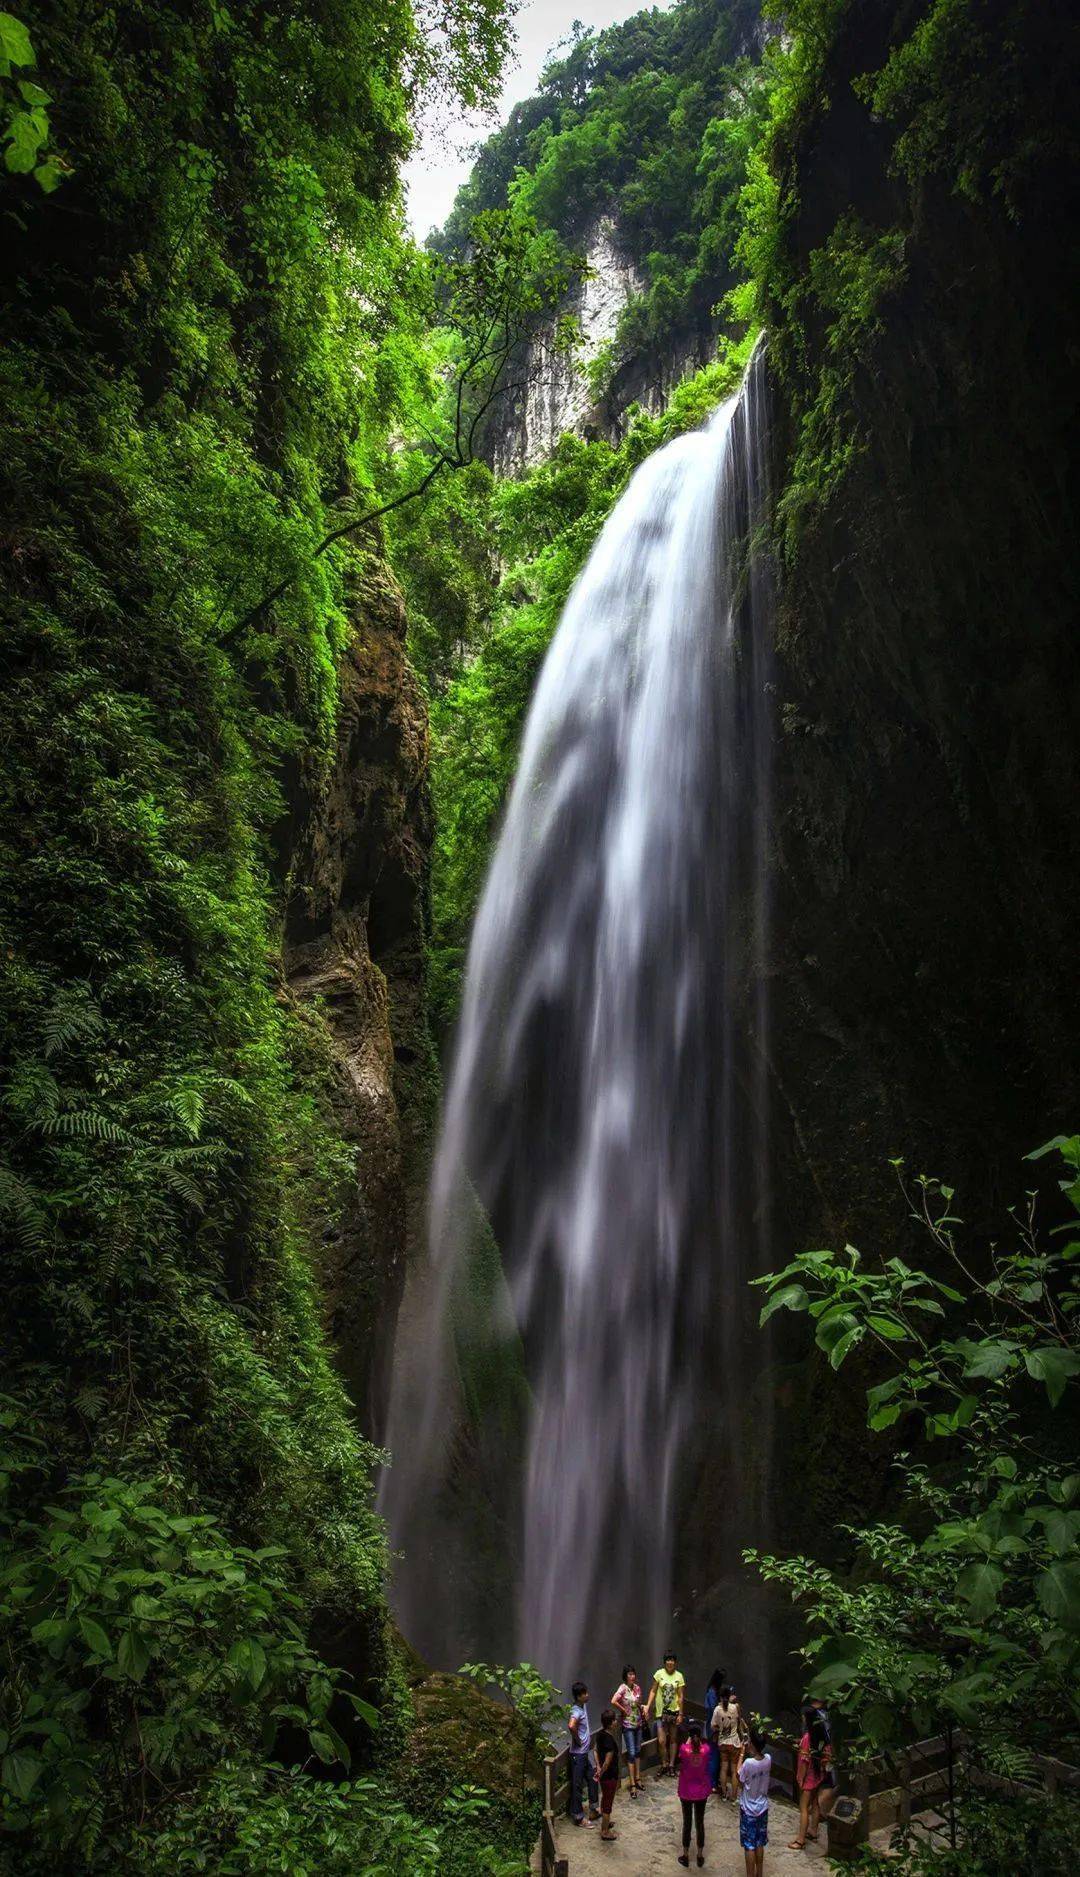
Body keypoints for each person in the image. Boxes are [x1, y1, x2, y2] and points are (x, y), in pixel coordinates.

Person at [790, 1705, 831, 1849]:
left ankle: (800, 1840)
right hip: (818, 1775)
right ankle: (813, 1830)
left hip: (809, 1777)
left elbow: (804, 1761)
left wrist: (800, 1778)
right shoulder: (821, 1735)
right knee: (815, 1802)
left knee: (803, 1808)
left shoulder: (808, 1738)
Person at [677, 1717, 712, 1868]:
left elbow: (682, 1754)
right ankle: (699, 1855)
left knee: (687, 1822)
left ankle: (685, 1855)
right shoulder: (706, 1750)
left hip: (686, 1791)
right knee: (699, 1822)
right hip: (701, 1792)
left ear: (690, 1736)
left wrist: (688, 1740)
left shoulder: (684, 1749)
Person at [737, 1724, 771, 1877]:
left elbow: (739, 1777)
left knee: (749, 1845)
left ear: (752, 1744)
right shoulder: (768, 1759)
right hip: (762, 1807)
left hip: (749, 1810)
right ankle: (760, 1873)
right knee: (759, 1842)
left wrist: (742, 1753)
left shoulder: (748, 1763)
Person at [646, 1651, 685, 1776]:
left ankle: (672, 1765)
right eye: (668, 1660)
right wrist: (648, 1706)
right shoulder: (659, 1674)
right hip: (661, 1713)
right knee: (661, 1741)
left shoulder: (679, 1676)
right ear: (664, 1662)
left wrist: (680, 1714)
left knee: (673, 1739)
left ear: (675, 1662)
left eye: (672, 1660)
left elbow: (680, 1696)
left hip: (674, 1712)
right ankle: (664, 1763)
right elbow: (653, 1691)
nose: (670, 1662)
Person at [567, 1681, 600, 1826]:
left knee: (593, 1778)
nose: (588, 1695)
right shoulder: (576, 1711)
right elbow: (571, 1726)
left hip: (584, 1753)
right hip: (578, 1754)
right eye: (585, 1693)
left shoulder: (582, 1706)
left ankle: (593, 1810)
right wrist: (578, 1740)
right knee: (577, 1785)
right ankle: (578, 1817)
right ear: (579, 1697)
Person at [612, 1665, 646, 1796]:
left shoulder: (637, 1688)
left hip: (638, 1723)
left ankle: (638, 1778)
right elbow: (613, 1701)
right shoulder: (622, 1688)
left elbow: (639, 1704)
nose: (632, 1676)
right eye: (629, 1674)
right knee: (631, 1752)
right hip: (628, 1725)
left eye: (633, 1674)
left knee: (637, 1751)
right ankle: (632, 1783)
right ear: (625, 1676)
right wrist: (623, 1710)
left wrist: (644, 1710)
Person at [710, 1683, 745, 1801]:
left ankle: (724, 1794)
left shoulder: (717, 1710)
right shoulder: (735, 1707)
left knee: (724, 1768)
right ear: (729, 1695)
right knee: (734, 1770)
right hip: (734, 1743)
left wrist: (720, 1728)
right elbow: (739, 1720)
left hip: (723, 1743)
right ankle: (734, 1796)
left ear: (720, 1696)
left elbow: (713, 1726)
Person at [595, 1707, 621, 1841]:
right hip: (609, 1775)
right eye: (614, 1720)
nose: (616, 1722)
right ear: (610, 1724)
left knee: (605, 1798)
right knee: (608, 1803)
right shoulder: (609, 1740)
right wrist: (602, 1770)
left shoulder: (600, 1734)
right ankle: (605, 1831)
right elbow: (608, 1760)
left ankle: (606, 1823)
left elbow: (595, 1750)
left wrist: (598, 1767)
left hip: (603, 1775)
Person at [703, 1668, 725, 1792]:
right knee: (714, 1755)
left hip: (713, 1727)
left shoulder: (712, 1691)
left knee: (714, 1754)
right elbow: (713, 1711)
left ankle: (713, 1781)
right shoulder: (712, 1693)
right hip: (713, 1728)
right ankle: (712, 1783)